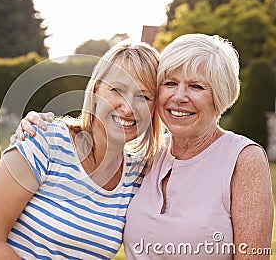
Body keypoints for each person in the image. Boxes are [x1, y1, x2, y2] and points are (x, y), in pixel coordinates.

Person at [15, 33, 274, 259]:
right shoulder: (148, 159)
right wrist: (42, 123)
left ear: (221, 96)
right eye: (170, 83)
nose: (179, 96)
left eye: (196, 86)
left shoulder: (243, 159)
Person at [0, 40, 163, 259]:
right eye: (118, 90)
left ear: (154, 108)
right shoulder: (44, 140)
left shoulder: (138, 176)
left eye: (143, 96)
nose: (128, 108)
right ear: (97, 90)